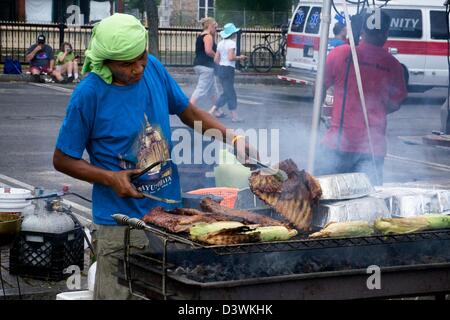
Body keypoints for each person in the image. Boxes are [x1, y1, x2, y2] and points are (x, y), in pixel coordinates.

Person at [52, 13, 254, 300]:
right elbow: (62, 158)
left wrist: (232, 137)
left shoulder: (153, 69)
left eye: (141, 57)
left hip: (170, 219)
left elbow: (189, 113)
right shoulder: (89, 94)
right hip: (120, 227)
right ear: (105, 61)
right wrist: (110, 177)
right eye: (127, 64)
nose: (137, 68)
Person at [317, 11, 407, 185]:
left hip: (336, 145)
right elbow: (396, 102)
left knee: (324, 197)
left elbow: (319, 88)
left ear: (363, 32)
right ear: (385, 34)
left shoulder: (340, 54)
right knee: (368, 204)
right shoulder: (393, 64)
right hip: (372, 149)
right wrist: (377, 108)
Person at [210, 23, 247, 123]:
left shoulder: (221, 43)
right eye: (235, 32)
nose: (236, 33)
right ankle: (212, 111)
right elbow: (231, 57)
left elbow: (215, 59)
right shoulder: (231, 43)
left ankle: (234, 116)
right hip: (228, 70)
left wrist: (221, 64)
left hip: (221, 69)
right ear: (232, 34)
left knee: (228, 93)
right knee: (229, 93)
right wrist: (240, 57)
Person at [190, 17, 218, 112]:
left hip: (199, 65)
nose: (216, 29)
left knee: (212, 89)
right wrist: (218, 57)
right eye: (215, 27)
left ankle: (218, 110)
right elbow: (209, 51)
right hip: (206, 66)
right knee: (201, 89)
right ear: (210, 26)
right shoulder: (208, 36)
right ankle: (188, 109)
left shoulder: (201, 35)